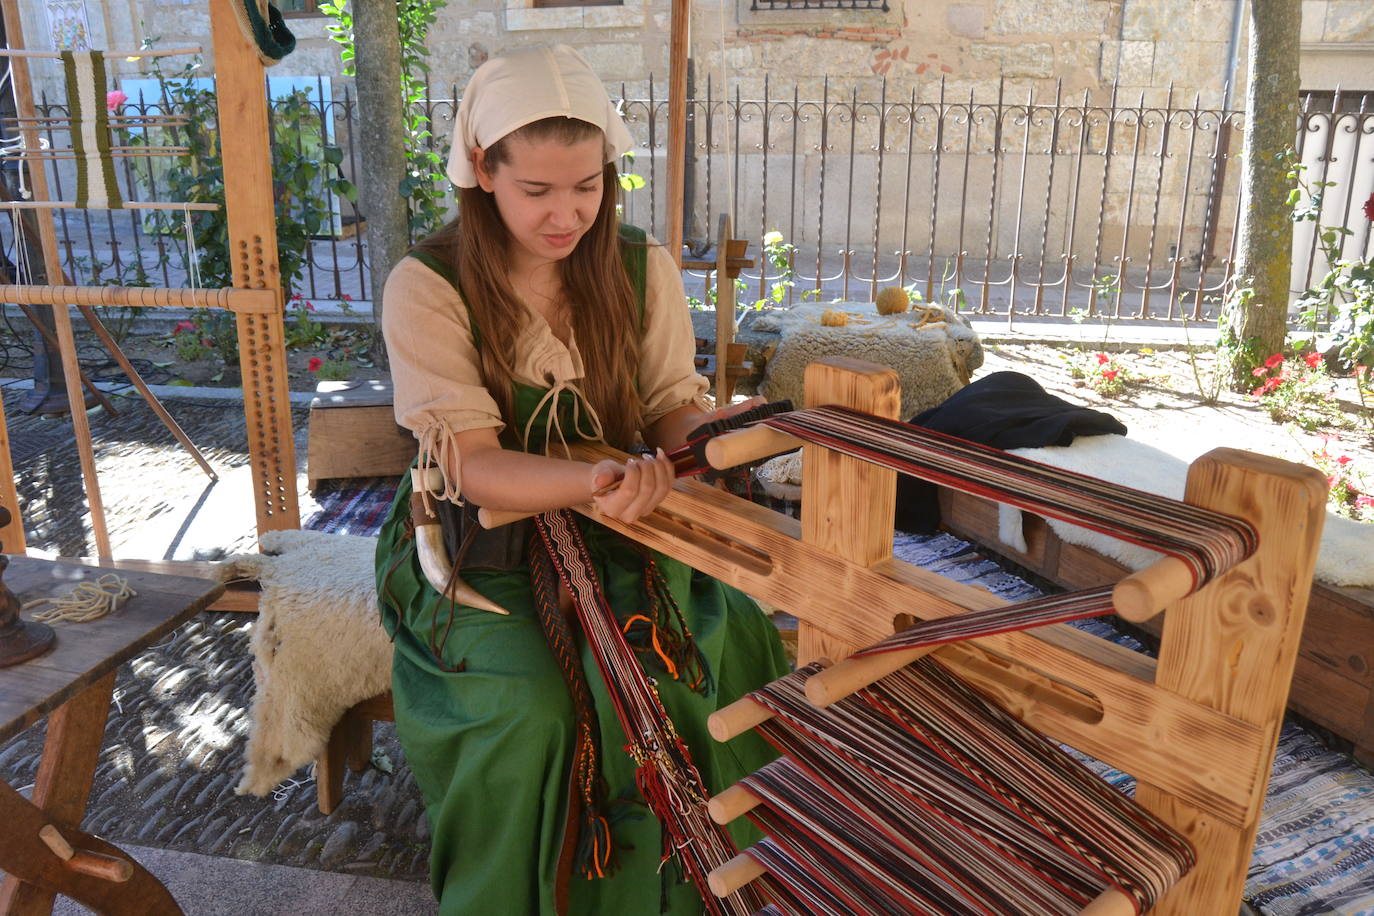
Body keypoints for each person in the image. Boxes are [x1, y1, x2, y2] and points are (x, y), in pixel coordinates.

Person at [373, 44, 789, 916]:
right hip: (479, 545)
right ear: (483, 170)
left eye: (589, 187)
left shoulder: (639, 268)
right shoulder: (429, 285)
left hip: (626, 519)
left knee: (704, 665)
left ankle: (707, 895)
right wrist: (601, 477)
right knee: (535, 716)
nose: (568, 214)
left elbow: (674, 407)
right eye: (538, 192)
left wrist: (725, 443)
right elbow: (477, 465)